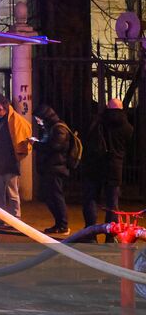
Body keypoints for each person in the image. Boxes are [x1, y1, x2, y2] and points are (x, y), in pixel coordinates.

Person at [82, 98, 132, 228]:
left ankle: (90, 233)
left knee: (91, 198)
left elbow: (87, 140)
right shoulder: (127, 127)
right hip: (115, 167)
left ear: (107, 107)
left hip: (96, 166)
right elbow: (128, 146)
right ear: (122, 108)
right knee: (112, 203)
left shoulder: (98, 122)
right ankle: (111, 234)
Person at [0, 96, 31, 222]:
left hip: (9, 162)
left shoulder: (13, 122)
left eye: (0, 110)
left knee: (12, 192)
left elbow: (23, 132)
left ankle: (15, 218)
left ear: (6, 110)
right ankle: (0, 217)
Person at [35, 105, 72, 236]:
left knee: (56, 196)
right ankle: (59, 224)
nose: (38, 122)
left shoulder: (59, 129)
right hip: (50, 167)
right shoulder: (49, 128)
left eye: (39, 119)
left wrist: (36, 144)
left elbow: (54, 146)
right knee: (49, 197)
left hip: (57, 168)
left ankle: (63, 225)